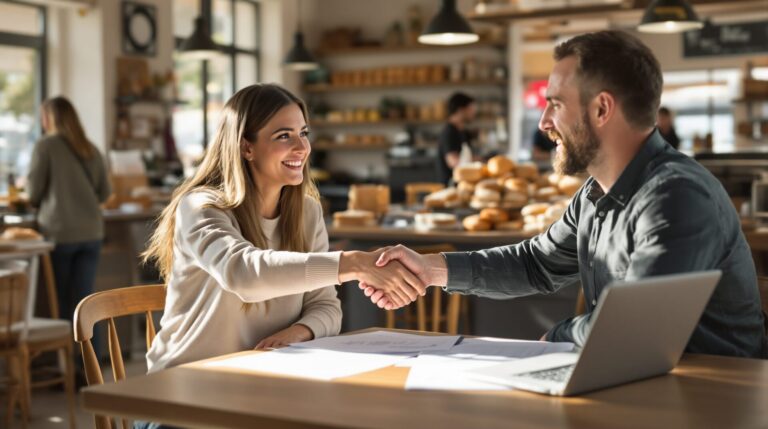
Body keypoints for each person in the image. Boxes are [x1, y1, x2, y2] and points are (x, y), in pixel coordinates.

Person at [362, 31, 767, 359]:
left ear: (602, 110)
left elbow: (633, 328)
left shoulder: (676, 197)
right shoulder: (594, 193)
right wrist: (432, 269)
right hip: (644, 384)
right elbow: (536, 263)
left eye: (555, 104)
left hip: (716, 396)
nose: (543, 123)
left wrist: (557, 335)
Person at [141, 84, 425, 375]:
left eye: (303, 133)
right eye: (283, 136)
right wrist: (352, 263)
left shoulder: (307, 213)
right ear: (245, 147)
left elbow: (326, 307)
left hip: (258, 381)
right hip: (180, 388)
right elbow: (243, 273)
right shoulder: (200, 207)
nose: (302, 148)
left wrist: (300, 331)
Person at [28, 96, 111, 322]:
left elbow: (33, 194)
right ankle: (89, 357)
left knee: (62, 301)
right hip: (92, 232)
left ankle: (65, 355)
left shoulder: (45, 146)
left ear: (48, 118)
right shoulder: (90, 147)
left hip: (60, 232)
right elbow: (104, 193)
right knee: (86, 301)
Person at [436, 92, 477, 184]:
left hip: (463, 182)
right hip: (451, 185)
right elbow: (453, 161)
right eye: (471, 109)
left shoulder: (462, 131)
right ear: (460, 110)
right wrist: (480, 161)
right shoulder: (449, 132)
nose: (474, 112)